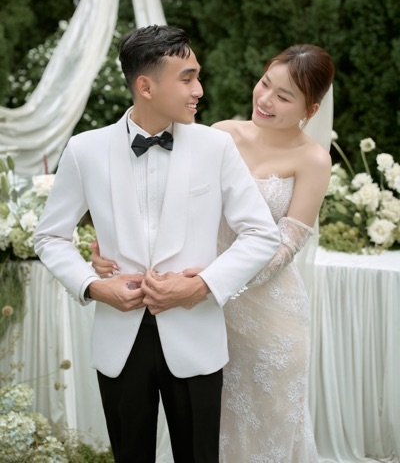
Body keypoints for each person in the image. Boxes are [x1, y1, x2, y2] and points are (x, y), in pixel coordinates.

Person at [33, 24, 280, 463]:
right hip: (120, 339)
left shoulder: (216, 147)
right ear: (145, 87)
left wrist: (201, 285)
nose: (198, 89)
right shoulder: (85, 150)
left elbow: (262, 234)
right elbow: (50, 236)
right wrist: (93, 286)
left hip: (195, 331)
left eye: (197, 76)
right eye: (187, 78)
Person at [92, 42, 334, 462]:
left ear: (310, 110)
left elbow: (285, 246)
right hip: (192, 310)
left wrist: (211, 283)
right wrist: (110, 252)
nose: (265, 100)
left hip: (265, 315)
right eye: (265, 84)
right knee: (204, 435)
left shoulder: (313, 159)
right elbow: (161, 201)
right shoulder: (220, 134)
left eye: (283, 96)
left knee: (266, 429)